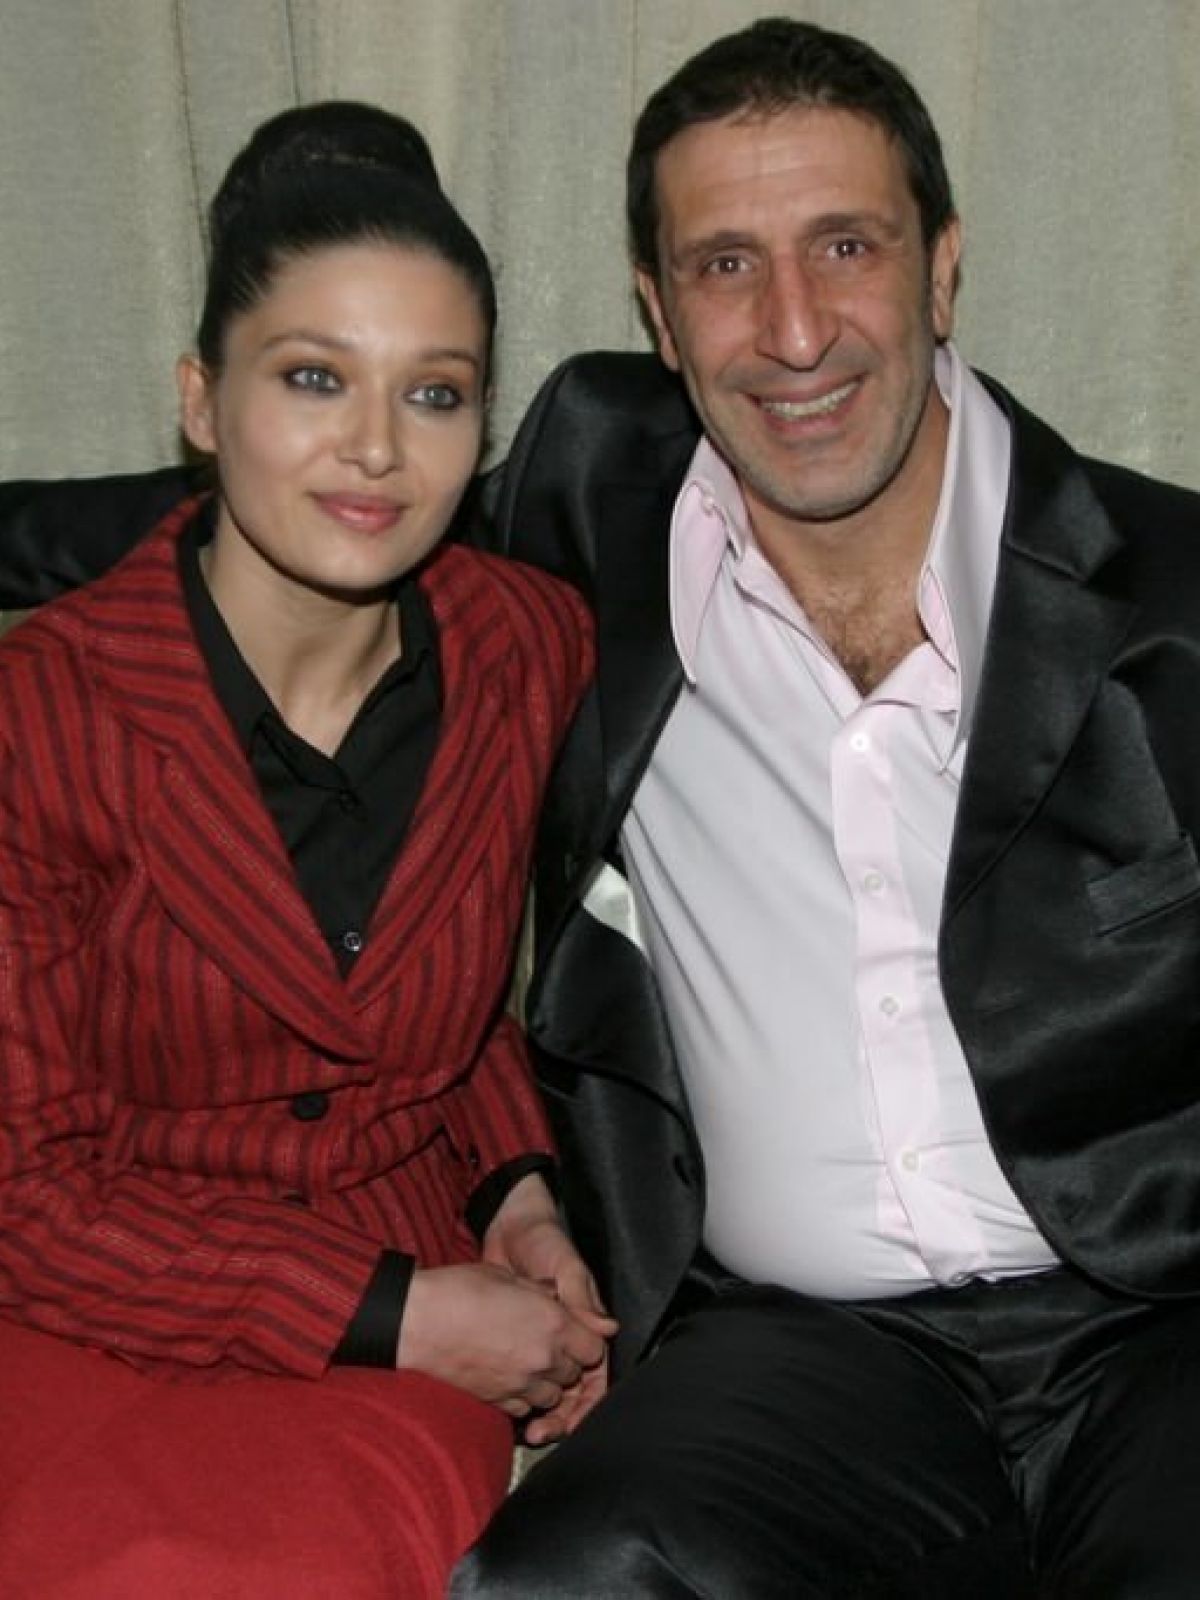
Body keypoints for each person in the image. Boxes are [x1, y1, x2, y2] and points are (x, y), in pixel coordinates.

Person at [3, 16, 1200, 1599]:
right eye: (725, 266)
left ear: (944, 268)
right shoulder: (589, 521)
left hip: (1155, 1318)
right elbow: (306, 503)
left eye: (846, 246)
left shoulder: (1170, 592)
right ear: (657, 309)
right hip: (805, 1351)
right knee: (559, 1577)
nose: (793, 331)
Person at [0, 100, 615, 1599]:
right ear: (202, 403)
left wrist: (518, 1196)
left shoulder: (528, 649)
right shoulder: (43, 707)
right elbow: (17, 1184)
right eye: (315, 377)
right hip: (74, 1290)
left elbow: (442, 1007)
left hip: (399, 1314)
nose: (377, 449)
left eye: (436, 393)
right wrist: (397, 1311)